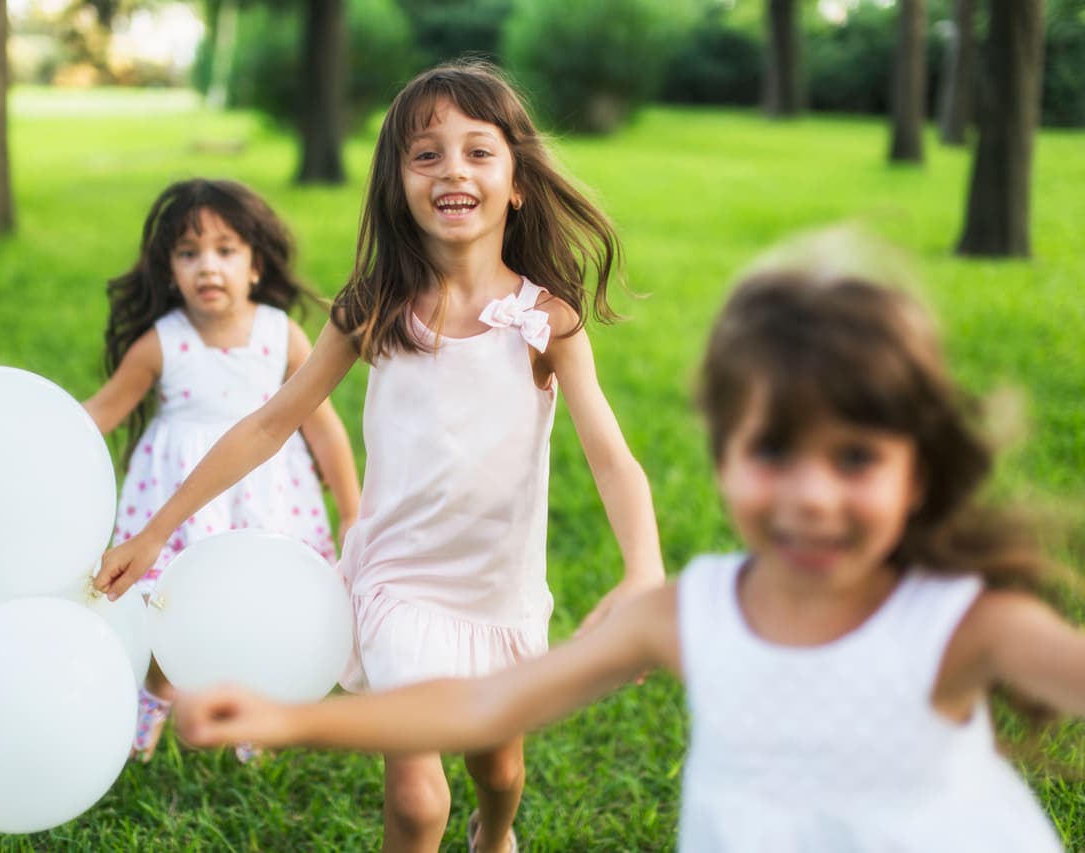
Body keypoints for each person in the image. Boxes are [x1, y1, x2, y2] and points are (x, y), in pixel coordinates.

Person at [173, 237, 1085, 852]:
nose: (811, 494)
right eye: (773, 451)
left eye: (854, 457)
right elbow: (473, 706)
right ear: (724, 457)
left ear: (919, 471)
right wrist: (291, 718)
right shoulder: (693, 618)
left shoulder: (970, 626)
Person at [95, 60, 665, 852]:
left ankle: (494, 833)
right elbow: (268, 425)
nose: (451, 169)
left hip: (497, 591)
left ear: (518, 181)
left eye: (477, 151)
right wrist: (157, 530)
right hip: (396, 584)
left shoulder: (546, 322)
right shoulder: (374, 310)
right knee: (416, 799)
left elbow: (611, 457)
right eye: (425, 153)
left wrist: (643, 573)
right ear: (398, 182)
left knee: (498, 770)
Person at [83, 178, 361, 762]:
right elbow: (100, 414)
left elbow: (323, 426)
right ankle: (152, 702)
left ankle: (252, 708)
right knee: (169, 605)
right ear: (169, 270)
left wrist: (352, 510)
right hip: (181, 495)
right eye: (189, 253)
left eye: (225, 250)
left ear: (255, 264)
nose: (207, 266)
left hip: (268, 493)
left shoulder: (280, 334)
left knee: (259, 602)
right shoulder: (162, 343)